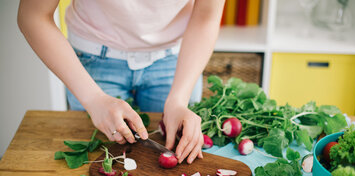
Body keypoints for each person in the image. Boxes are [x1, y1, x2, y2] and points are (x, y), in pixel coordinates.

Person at [17, 0, 225, 164]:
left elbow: (206, 16)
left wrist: (178, 100)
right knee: (96, 158)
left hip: (176, 60)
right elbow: (32, 15)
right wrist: (93, 99)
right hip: (93, 60)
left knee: (173, 146)